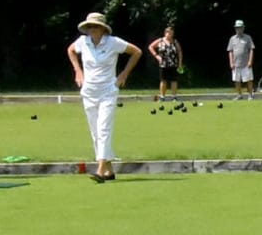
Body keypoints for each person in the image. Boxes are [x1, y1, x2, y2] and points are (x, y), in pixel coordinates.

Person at [66, 11, 141, 183]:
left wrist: (123, 75)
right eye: (89, 27)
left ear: (102, 28)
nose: (91, 29)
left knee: (103, 128)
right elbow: (70, 50)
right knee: (95, 131)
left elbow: (136, 52)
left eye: (95, 27)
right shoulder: (83, 42)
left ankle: (100, 169)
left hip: (108, 91)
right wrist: (78, 71)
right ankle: (109, 170)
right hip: (89, 92)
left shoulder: (114, 42)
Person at [151, 26, 185, 101]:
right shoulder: (160, 41)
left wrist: (180, 63)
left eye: (172, 33)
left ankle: (174, 97)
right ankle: (162, 97)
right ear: (165, 33)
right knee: (163, 80)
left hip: (173, 64)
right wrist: (156, 56)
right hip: (163, 64)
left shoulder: (175, 41)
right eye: (169, 33)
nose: (170, 35)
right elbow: (151, 47)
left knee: (174, 80)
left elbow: (179, 52)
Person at [227, 19, 257, 99]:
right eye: (237, 28)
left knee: (249, 79)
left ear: (243, 28)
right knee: (237, 80)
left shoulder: (248, 37)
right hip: (236, 64)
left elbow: (251, 49)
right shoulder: (232, 39)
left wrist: (250, 61)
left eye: (240, 27)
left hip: (246, 63)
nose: (238, 29)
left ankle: (250, 95)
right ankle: (239, 95)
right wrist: (231, 62)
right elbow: (230, 51)